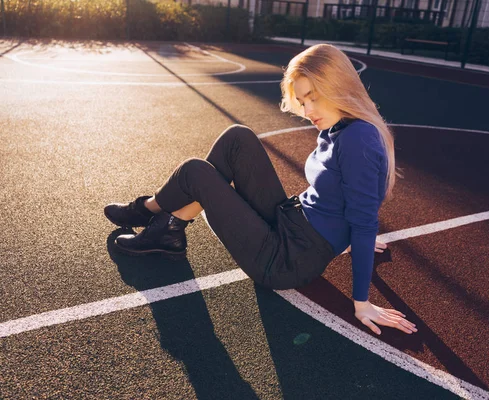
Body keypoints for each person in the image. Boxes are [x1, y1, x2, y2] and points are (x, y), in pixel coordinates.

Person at [104, 44, 417, 336]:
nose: (308, 110)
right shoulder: (338, 126)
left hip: (285, 261)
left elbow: (364, 218)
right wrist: (346, 233)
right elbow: (349, 195)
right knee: (237, 138)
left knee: (195, 171)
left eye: (313, 97)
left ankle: (150, 214)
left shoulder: (357, 138)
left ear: (337, 86)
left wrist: (361, 302)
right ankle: (164, 226)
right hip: (289, 221)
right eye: (303, 100)